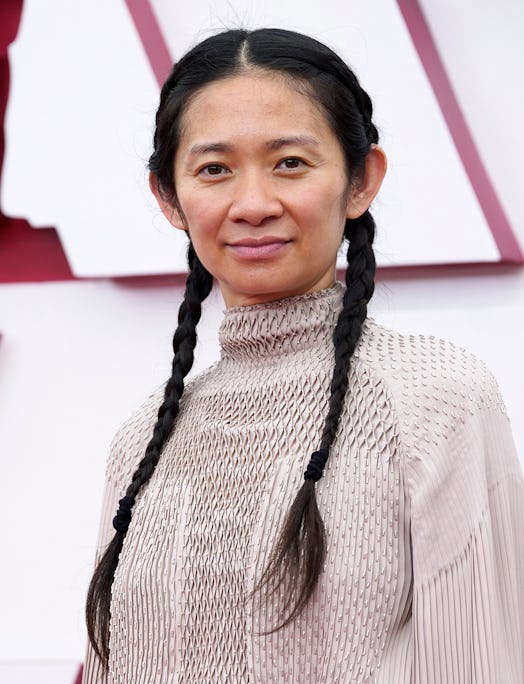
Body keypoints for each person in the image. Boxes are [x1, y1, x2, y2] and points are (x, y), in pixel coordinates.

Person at [83, 28, 524, 683]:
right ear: (168, 197)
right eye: (214, 169)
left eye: (290, 162)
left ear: (360, 181)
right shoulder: (143, 439)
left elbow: (482, 663)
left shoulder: (438, 400)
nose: (254, 204)